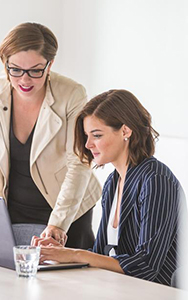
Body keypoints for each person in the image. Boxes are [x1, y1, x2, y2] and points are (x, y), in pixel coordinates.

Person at [32, 89, 186, 286]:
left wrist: (75, 254)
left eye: (96, 135)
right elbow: (100, 255)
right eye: (87, 135)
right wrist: (60, 253)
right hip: (118, 288)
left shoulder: (156, 180)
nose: (88, 144)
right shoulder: (113, 182)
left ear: (125, 131)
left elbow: (145, 266)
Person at [0, 22, 101, 249]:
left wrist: (58, 224)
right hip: (14, 208)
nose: (24, 80)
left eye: (35, 71)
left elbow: (79, 161)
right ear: (5, 63)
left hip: (67, 209)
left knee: (67, 280)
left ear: (50, 64)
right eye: (15, 70)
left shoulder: (72, 94)